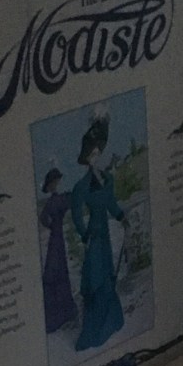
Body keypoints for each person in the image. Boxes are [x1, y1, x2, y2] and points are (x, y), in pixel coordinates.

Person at [71, 115, 126, 351]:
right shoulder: (81, 186)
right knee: (95, 278)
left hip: (105, 236)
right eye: (91, 154)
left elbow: (111, 203)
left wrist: (122, 217)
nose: (95, 157)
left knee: (107, 275)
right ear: (86, 157)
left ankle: (110, 321)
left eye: (97, 153)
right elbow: (76, 214)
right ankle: (93, 331)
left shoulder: (106, 179)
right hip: (94, 236)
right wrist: (84, 234)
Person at [40, 168, 77, 333]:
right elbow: (43, 218)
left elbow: (70, 203)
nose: (55, 185)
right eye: (52, 183)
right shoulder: (53, 201)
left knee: (58, 267)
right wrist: (52, 225)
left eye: (56, 182)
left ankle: (63, 308)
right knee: (55, 267)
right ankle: (57, 310)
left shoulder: (58, 199)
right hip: (56, 236)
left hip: (58, 235)